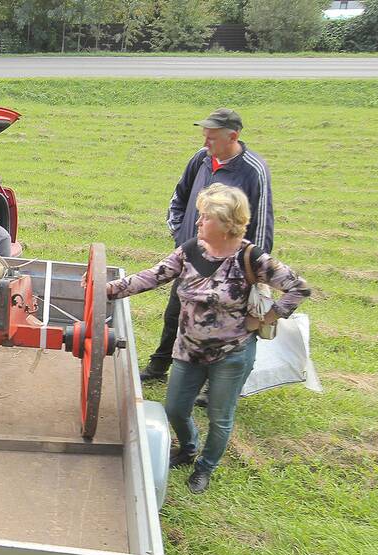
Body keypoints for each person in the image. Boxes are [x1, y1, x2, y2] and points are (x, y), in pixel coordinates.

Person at [107, 184, 309, 494]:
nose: (198, 222)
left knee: (220, 416)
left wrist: (267, 318)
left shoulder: (251, 258)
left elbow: (299, 288)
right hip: (188, 349)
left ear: (228, 223)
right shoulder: (189, 250)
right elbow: (152, 275)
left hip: (232, 353)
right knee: (174, 407)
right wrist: (107, 288)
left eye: (205, 217)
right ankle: (188, 448)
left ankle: (205, 467)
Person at [141, 108, 274, 384]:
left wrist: (254, 270)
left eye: (211, 138)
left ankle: (213, 383)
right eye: (204, 136)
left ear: (233, 136)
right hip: (193, 257)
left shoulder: (253, 170)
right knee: (176, 312)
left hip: (229, 265)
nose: (205, 143)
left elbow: (262, 223)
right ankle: (159, 365)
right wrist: (179, 232)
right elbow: (179, 197)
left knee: (221, 323)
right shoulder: (201, 159)